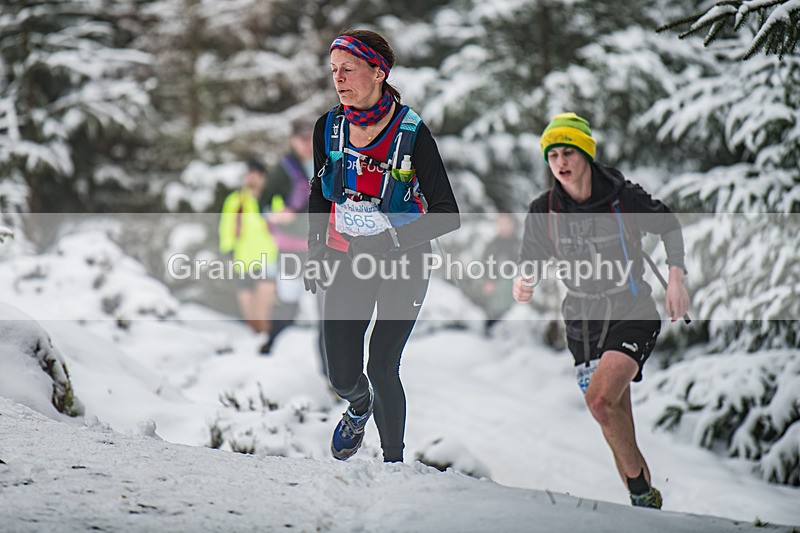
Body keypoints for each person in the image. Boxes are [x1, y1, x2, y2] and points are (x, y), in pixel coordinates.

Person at [512, 113, 690, 509]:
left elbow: (668, 224)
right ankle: (644, 501)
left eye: (569, 152)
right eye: (553, 154)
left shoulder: (622, 197)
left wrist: (676, 276)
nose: (561, 161)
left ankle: (641, 495)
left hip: (632, 310)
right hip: (581, 323)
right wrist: (524, 279)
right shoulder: (543, 209)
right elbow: (531, 257)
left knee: (599, 401)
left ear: (586, 155)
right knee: (611, 415)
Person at [304, 29, 460, 463]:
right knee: (341, 373)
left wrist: (387, 241)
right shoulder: (329, 128)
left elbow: (448, 213)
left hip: (404, 262)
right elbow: (319, 191)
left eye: (348, 70)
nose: (338, 79)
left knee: (381, 365)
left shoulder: (412, 134)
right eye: (334, 70)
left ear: (378, 72)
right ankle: (358, 407)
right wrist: (316, 247)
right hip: (348, 257)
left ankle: (395, 464)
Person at [258, 118, 324, 364]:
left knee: (325, 307)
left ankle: (330, 368)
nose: (307, 144)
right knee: (289, 300)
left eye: (310, 138)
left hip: (322, 245)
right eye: (302, 139)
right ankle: (271, 348)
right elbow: (262, 202)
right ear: (292, 140)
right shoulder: (283, 169)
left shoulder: (325, 162)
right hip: (291, 246)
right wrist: (275, 215)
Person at [218, 158, 279, 345]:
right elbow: (226, 226)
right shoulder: (235, 200)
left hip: (269, 256)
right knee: (248, 307)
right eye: (249, 175)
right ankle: (255, 344)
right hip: (243, 258)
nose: (252, 179)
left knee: (263, 307)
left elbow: (283, 224)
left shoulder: (273, 199)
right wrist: (228, 249)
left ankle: (266, 343)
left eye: (256, 175)